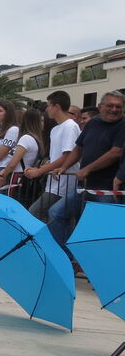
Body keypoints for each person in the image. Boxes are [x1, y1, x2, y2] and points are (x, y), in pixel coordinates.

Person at [46, 91, 125, 249]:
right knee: (56, 213)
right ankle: (68, 257)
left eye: (119, 106)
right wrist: (63, 167)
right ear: (100, 106)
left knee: (102, 230)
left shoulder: (123, 125)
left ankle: (98, 265)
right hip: (84, 186)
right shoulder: (93, 123)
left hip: (108, 189)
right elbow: (78, 148)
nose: (114, 109)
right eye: (110, 105)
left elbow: (116, 152)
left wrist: (87, 169)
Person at [25, 91, 80, 226]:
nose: (47, 109)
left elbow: (67, 156)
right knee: (50, 217)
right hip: (54, 183)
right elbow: (56, 157)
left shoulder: (70, 126)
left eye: (49, 105)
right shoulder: (55, 129)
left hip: (64, 184)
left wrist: (39, 171)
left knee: (34, 213)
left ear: (57, 106)